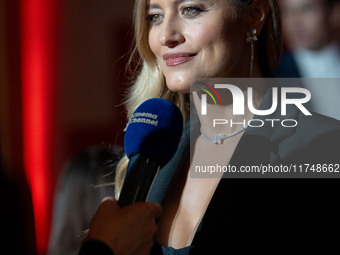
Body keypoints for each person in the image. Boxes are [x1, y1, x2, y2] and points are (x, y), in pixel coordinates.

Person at [80, 0, 340, 254]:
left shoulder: (323, 145)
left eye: (190, 10)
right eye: (155, 16)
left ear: (255, 15)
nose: (166, 36)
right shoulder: (156, 149)